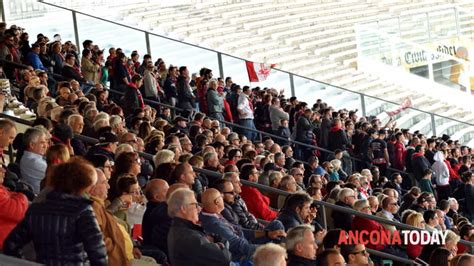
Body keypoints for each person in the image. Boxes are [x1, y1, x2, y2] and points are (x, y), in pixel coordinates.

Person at [3, 158, 108, 265]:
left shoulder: (36, 209)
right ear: (82, 185)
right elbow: (97, 252)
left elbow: (11, 245)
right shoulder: (83, 211)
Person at [167, 188, 232, 266]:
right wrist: (221, 244)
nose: (199, 209)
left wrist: (216, 244)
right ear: (183, 208)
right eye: (195, 204)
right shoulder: (188, 237)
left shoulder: (183, 229)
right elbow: (224, 259)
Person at [20, 127, 48, 195]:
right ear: (32, 145)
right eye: (42, 143)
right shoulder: (34, 162)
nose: (46, 145)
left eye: (46, 142)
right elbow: (60, 175)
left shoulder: (29, 158)